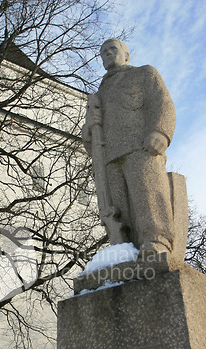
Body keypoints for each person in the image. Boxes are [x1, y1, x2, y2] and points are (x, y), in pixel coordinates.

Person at [82, 39, 176, 256]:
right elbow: (89, 139)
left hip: (141, 147)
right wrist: (89, 127)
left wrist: (161, 132)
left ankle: (157, 241)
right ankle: (125, 249)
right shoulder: (98, 95)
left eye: (112, 49)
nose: (107, 53)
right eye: (103, 52)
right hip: (109, 157)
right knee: (118, 208)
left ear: (127, 55)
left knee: (148, 195)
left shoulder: (144, 74)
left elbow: (162, 103)